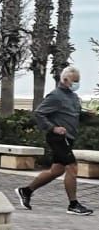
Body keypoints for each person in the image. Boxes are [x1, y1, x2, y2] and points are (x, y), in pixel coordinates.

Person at [18, 65, 92, 215]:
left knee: (56, 170)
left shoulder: (73, 96)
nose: (76, 84)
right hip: (58, 138)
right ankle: (73, 205)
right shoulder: (55, 96)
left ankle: (26, 191)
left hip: (68, 138)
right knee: (72, 166)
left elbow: (74, 114)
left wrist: (88, 115)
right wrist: (53, 128)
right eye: (74, 81)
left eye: (78, 81)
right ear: (64, 80)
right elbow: (39, 113)